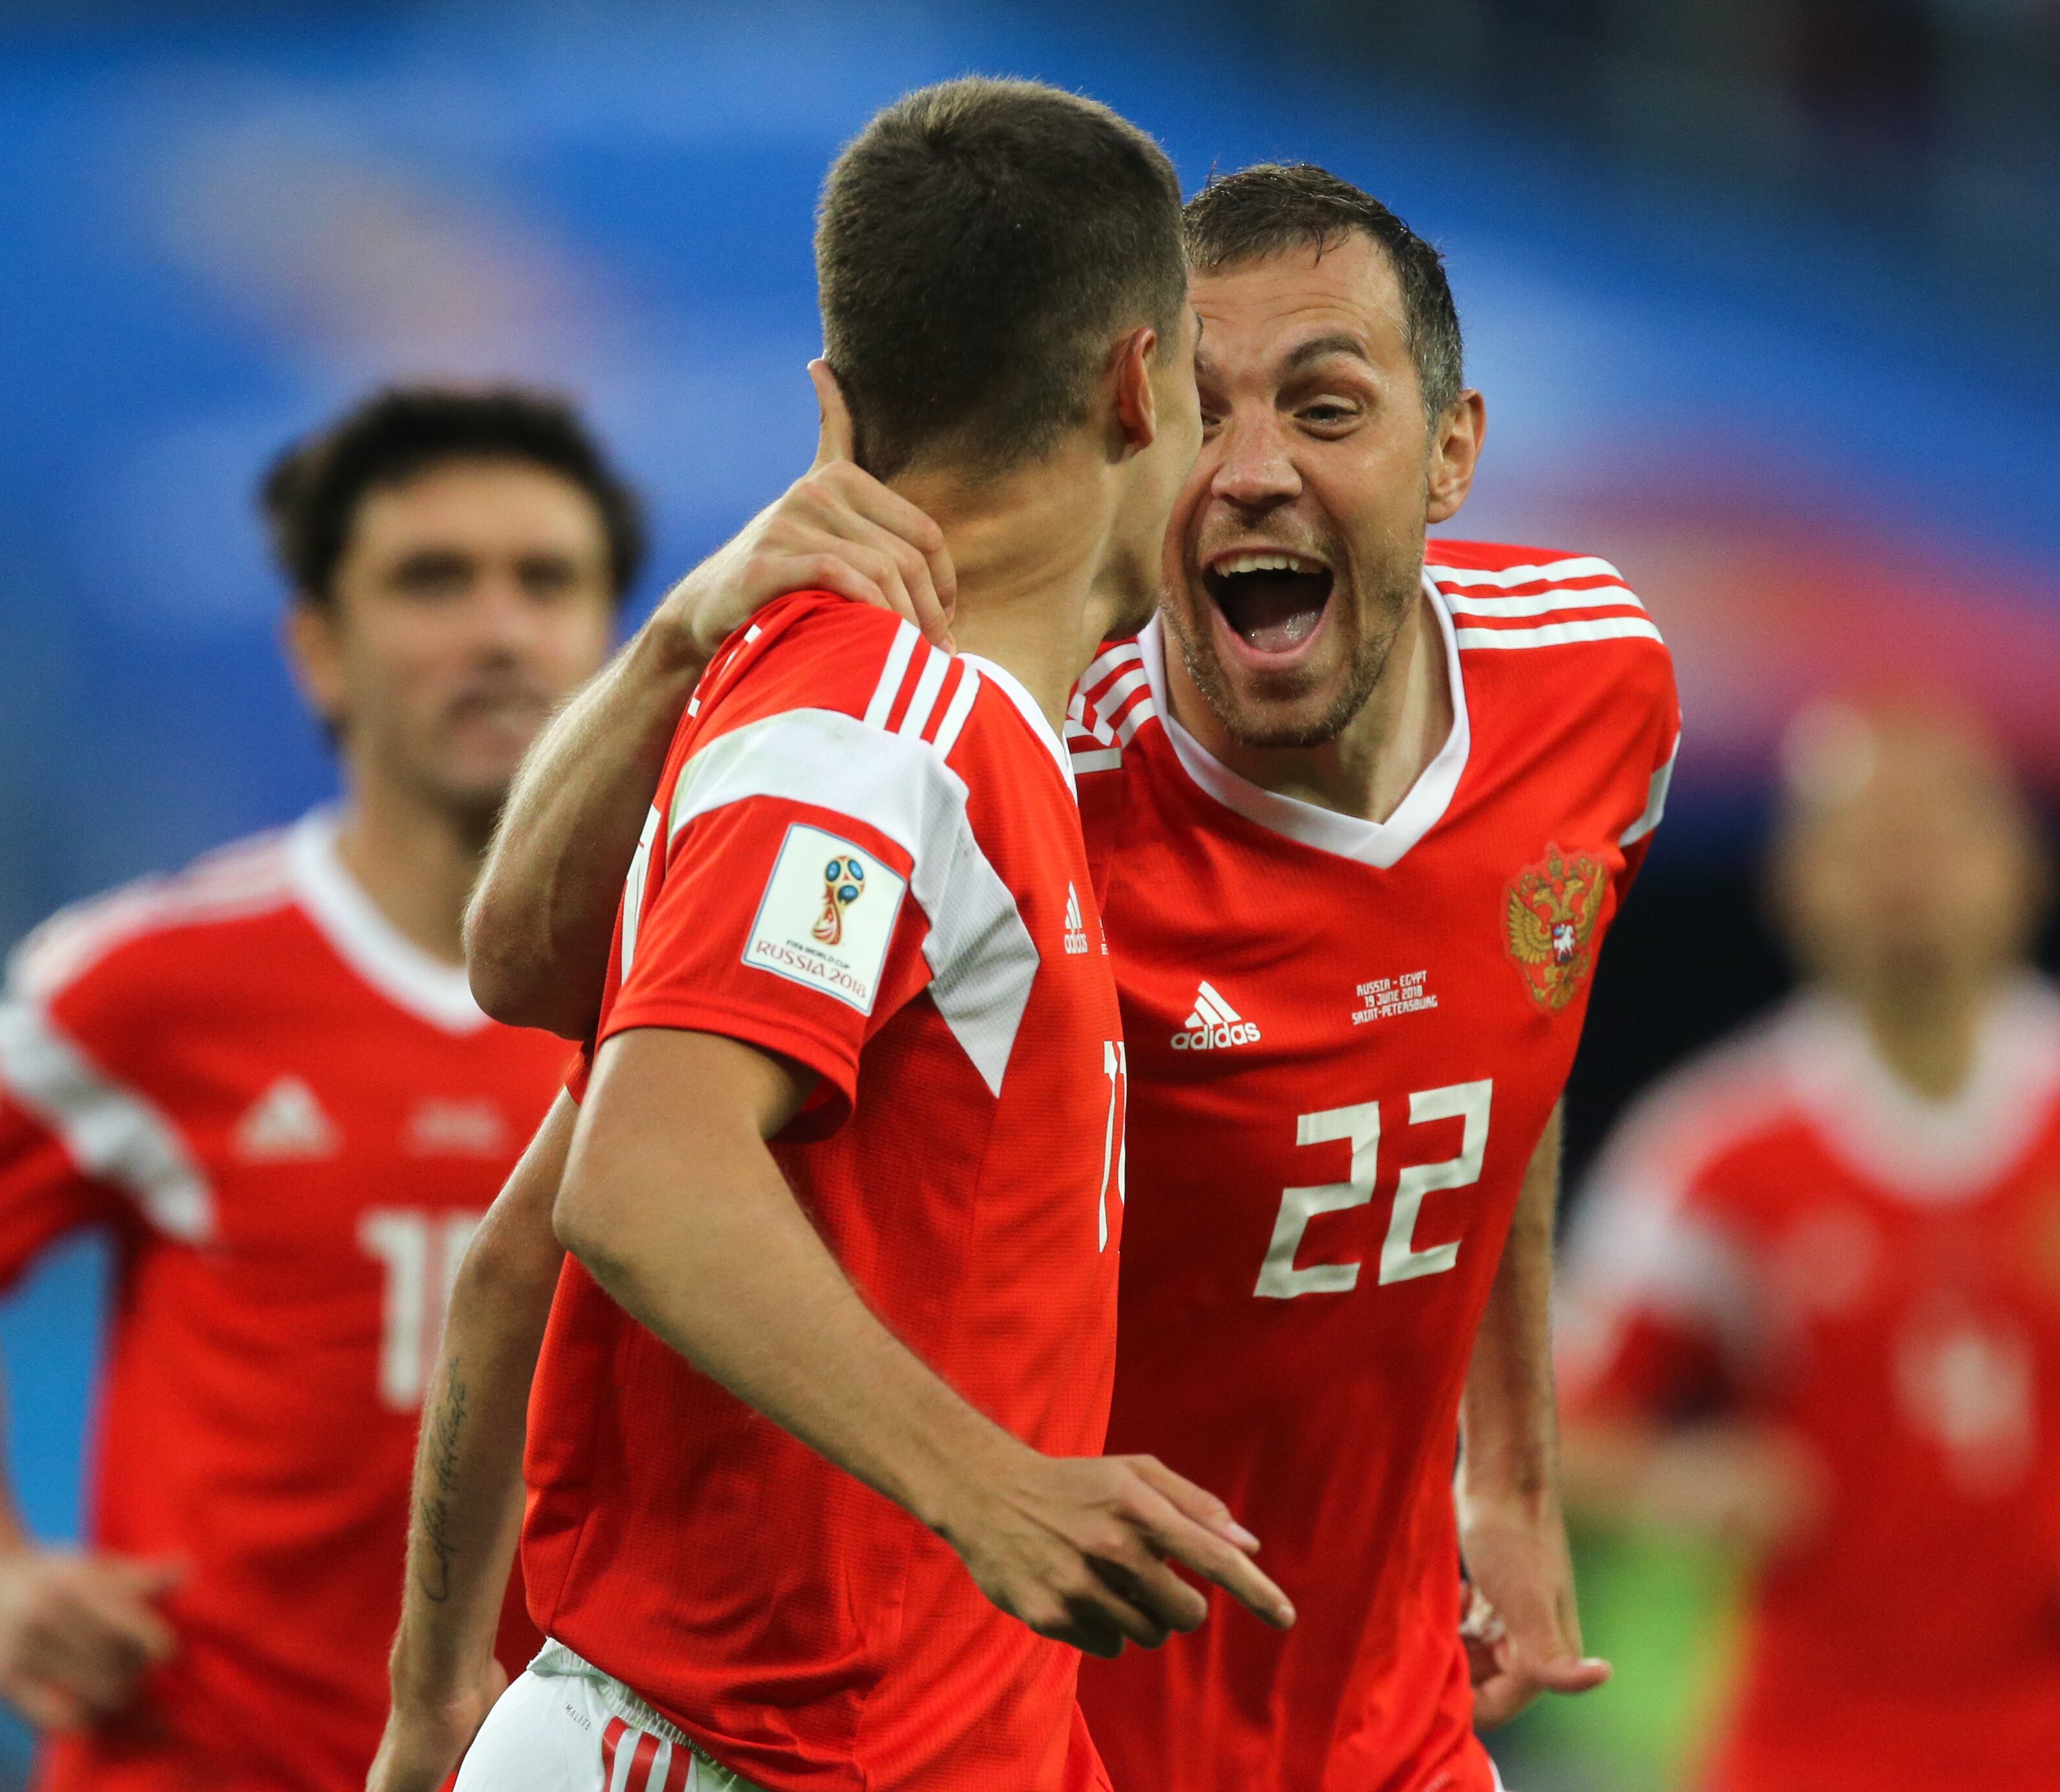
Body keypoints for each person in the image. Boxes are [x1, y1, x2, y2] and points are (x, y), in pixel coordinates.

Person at [440, 164, 1679, 1792]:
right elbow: (576, 1170)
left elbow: (1517, 1018)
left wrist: (1507, 1472)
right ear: (1133, 415)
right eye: (1205, 405)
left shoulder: (1594, 680)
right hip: (1048, 1722)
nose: (1249, 474)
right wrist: (439, 1688)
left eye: (1322, 408)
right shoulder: (1006, 778)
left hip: (1386, 1729)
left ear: (1451, 451)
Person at [386, 80, 1292, 1792]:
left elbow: (526, 1218)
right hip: (736, 1758)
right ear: (1133, 384)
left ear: (832, 403)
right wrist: (988, 1482)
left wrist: (433, 1700)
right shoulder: (882, 727)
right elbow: (641, 1177)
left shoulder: (909, 723)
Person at [0, 386, 639, 1792]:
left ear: (612, 641)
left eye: (547, 581)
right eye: (430, 580)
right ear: (319, 651)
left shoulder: (712, 994)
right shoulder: (145, 982)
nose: (499, 630)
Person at [1555, 699, 2060, 1792]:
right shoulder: (1709, 1152)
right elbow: (1556, 1423)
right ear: (1795, 885)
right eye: (1864, 846)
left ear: (2026, 865)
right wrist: (1684, 1483)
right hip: (1825, 1725)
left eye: (1940, 835)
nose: (1908, 880)